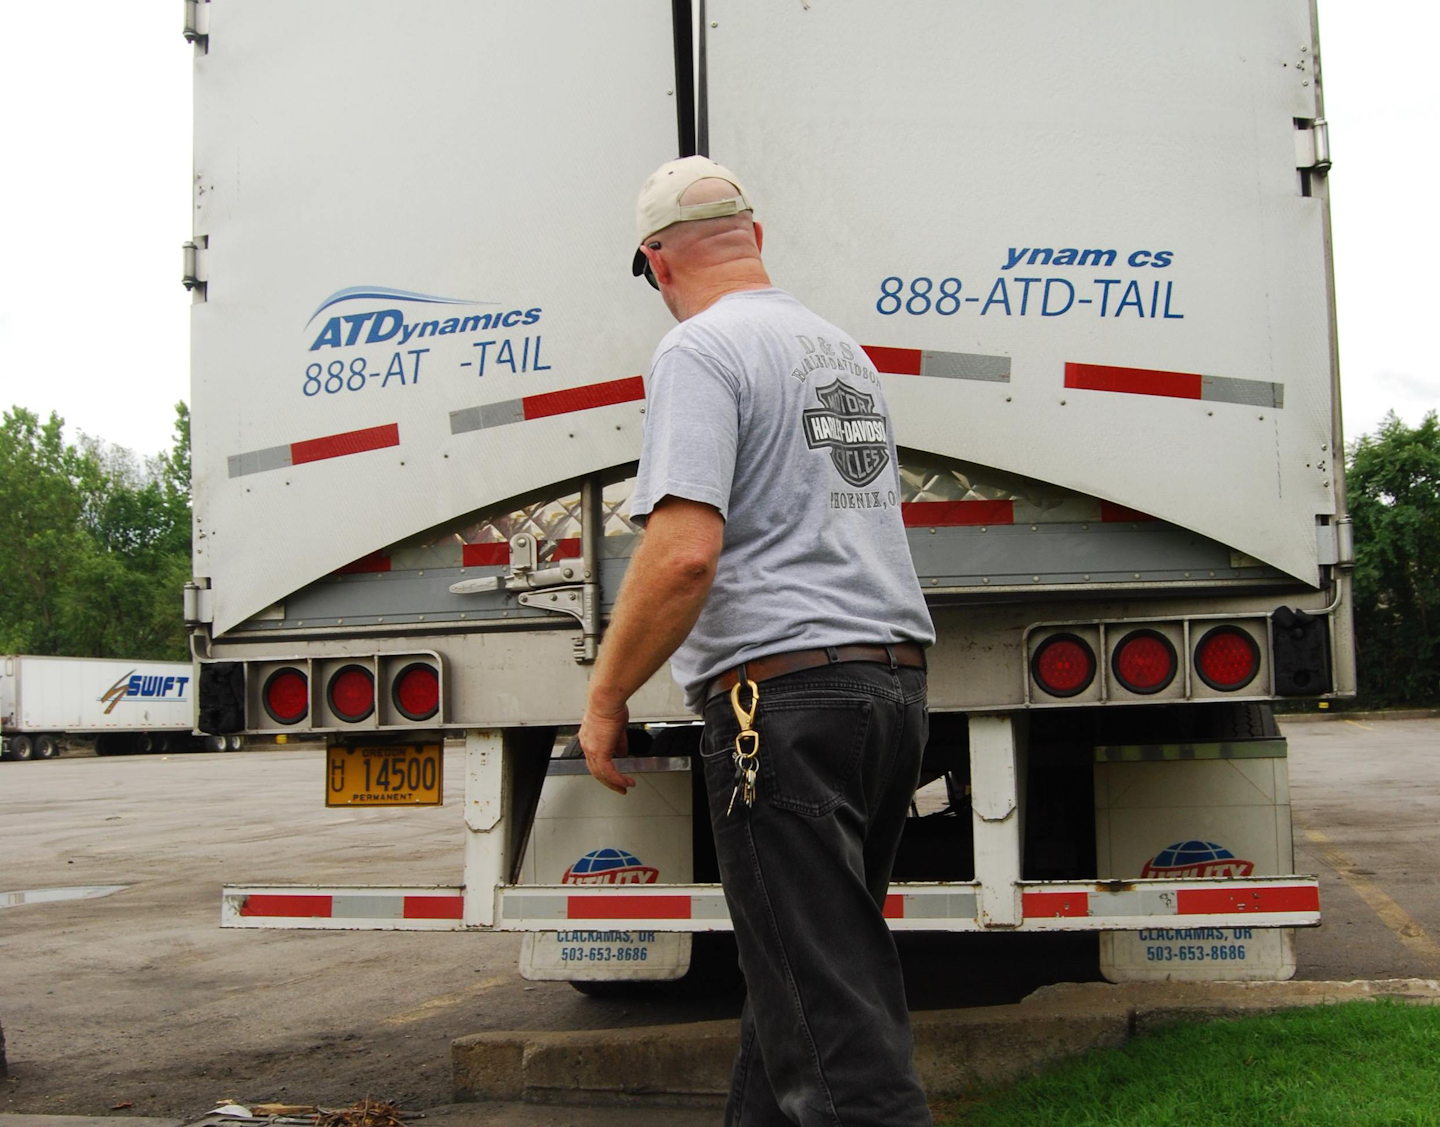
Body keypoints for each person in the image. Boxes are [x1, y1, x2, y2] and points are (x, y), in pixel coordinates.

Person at [577, 155, 936, 1127]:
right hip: (890, 696)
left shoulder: (698, 352)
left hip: (778, 712)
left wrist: (606, 696)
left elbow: (683, 552)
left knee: (835, 1039)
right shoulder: (838, 351)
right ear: (756, 238)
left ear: (657, 263)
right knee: (799, 996)